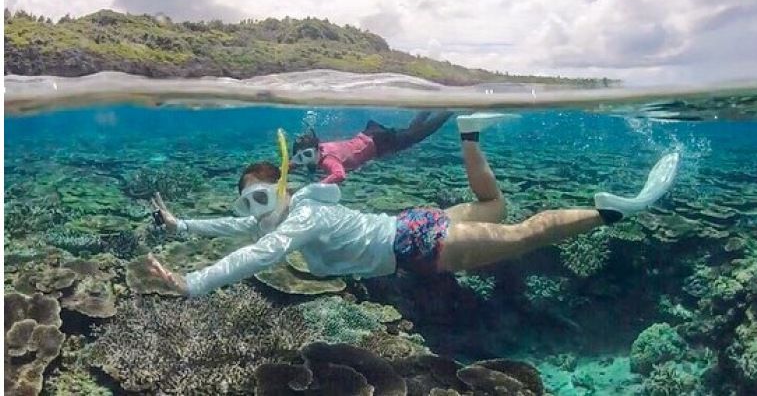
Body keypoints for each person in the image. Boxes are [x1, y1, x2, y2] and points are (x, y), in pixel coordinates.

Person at [145, 113, 681, 297]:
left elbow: (260, 255)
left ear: (281, 188)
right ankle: (469, 135)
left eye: (261, 198)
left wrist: (195, 283)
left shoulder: (299, 216)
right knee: (494, 204)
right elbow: (239, 230)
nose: (255, 211)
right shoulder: (294, 205)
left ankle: (616, 211)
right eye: (247, 205)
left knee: (523, 235)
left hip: (415, 243)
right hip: (413, 222)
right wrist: (180, 224)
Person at [290, 111, 453, 184]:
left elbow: (339, 175)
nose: (305, 160)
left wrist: (319, 186)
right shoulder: (319, 149)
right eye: (300, 157)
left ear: (317, 149)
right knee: (411, 132)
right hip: (369, 135)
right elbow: (300, 157)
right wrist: (287, 167)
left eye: (307, 154)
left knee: (418, 135)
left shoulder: (328, 160)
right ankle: (428, 107)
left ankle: (448, 110)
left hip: (380, 143)